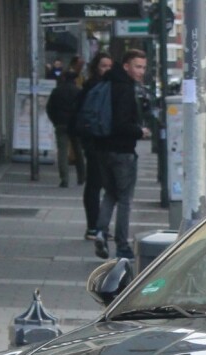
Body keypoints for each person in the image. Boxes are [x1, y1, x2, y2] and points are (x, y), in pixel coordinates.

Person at [93, 48, 149, 260]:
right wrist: (140, 131)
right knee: (125, 199)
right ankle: (122, 245)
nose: (141, 71)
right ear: (126, 66)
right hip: (122, 151)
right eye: (137, 66)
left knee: (110, 193)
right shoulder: (125, 88)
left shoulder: (105, 82)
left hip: (102, 149)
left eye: (143, 67)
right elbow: (122, 124)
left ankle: (100, 231)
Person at [76, 52, 113, 240]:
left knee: (101, 184)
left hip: (101, 142)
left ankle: (99, 226)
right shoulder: (93, 87)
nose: (107, 69)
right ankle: (94, 227)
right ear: (96, 68)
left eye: (109, 66)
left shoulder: (105, 86)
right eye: (103, 66)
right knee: (95, 184)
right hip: (95, 142)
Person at [45, 57, 85, 188]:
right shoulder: (78, 91)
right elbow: (83, 109)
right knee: (78, 150)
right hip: (75, 124)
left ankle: (64, 179)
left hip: (61, 123)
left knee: (62, 152)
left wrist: (55, 121)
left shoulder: (57, 91)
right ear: (74, 80)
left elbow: (49, 107)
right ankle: (81, 177)